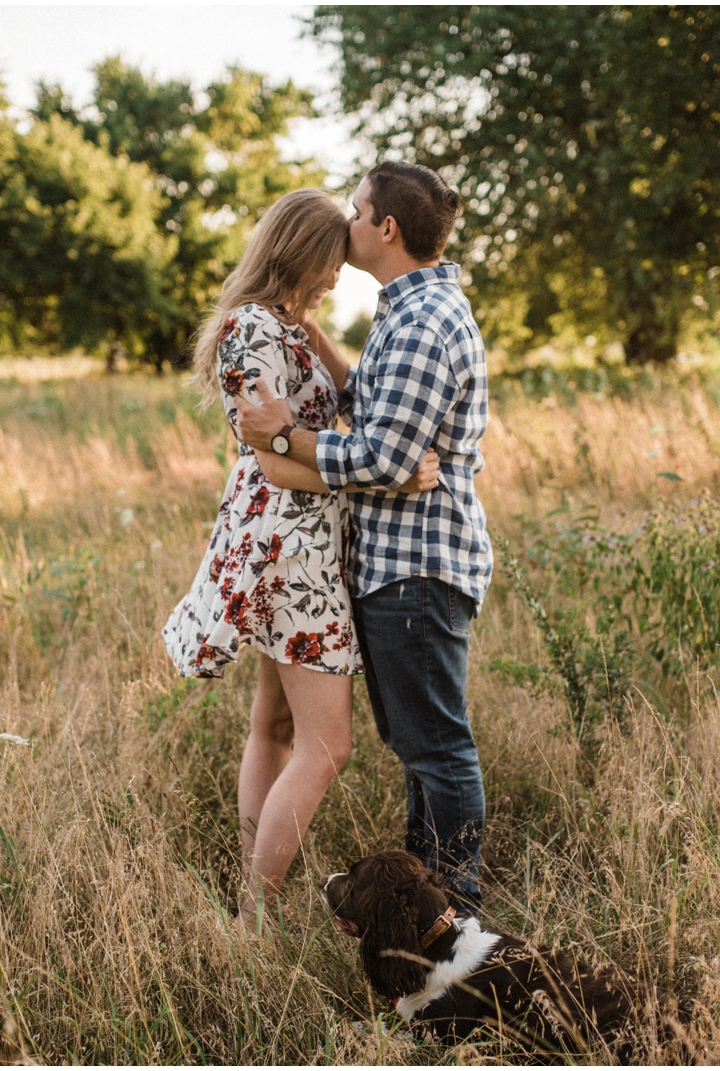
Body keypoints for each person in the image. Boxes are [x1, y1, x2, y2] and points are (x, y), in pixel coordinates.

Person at [162, 187, 440, 932]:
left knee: (275, 728)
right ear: (297, 253)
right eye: (329, 266)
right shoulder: (247, 332)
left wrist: (318, 336)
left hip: (301, 544)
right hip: (290, 553)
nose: (337, 278)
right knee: (326, 745)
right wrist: (388, 470)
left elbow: (346, 398)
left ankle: (249, 903)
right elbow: (276, 462)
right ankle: (254, 916)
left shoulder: (285, 328)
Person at [234, 162, 493, 913]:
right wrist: (313, 332)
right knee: (420, 749)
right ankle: (429, 900)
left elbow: (382, 455)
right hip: (397, 566)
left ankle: (454, 905)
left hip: (415, 569)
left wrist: (285, 434)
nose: (345, 223)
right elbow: (372, 408)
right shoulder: (409, 311)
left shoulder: (421, 321)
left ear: (386, 229)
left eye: (356, 210)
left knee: (437, 749)